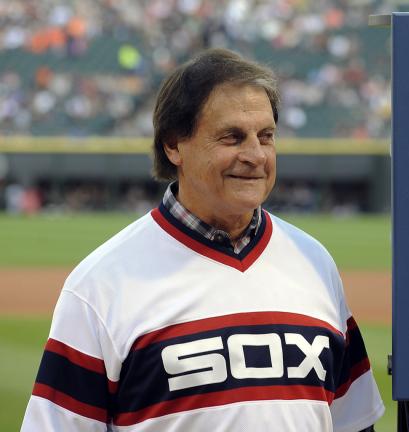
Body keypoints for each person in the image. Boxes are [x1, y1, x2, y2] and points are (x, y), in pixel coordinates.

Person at [21, 48, 384, 432]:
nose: (255, 155)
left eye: (266, 136)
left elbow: (354, 422)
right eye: (232, 137)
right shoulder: (98, 286)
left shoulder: (314, 262)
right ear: (174, 144)